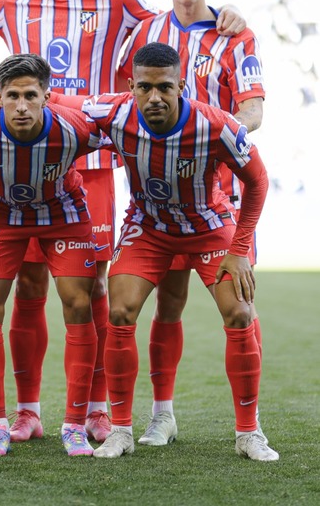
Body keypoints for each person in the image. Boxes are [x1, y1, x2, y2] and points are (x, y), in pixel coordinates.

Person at [0, 0, 245, 443]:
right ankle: (27, 411)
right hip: (28, 158)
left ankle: (96, 408)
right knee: (28, 284)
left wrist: (223, 13)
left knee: (93, 285)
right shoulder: (10, 0)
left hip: (92, 161)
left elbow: (174, 19)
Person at [53, 42, 276, 462]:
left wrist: (240, 249)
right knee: (120, 311)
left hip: (208, 228)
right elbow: (58, 99)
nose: (154, 97)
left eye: (164, 88)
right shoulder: (116, 112)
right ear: (131, 86)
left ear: (181, 86)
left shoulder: (215, 125)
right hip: (150, 228)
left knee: (240, 312)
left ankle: (249, 432)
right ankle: (121, 431)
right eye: (145, 88)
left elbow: (258, 181)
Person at [115, 0, 266, 447]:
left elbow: (253, 110)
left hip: (219, 196)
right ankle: (162, 415)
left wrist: (211, 136)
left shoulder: (235, 35)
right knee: (169, 303)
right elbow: (124, 97)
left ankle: (250, 425)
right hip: (160, 197)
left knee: (241, 307)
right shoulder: (145, 31)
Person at [0, 54, 105, 457]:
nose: (21, 106)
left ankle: (74, 426)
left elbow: (127, 121)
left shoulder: (75, 129)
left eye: (30, 96)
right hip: (3, 214)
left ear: (46, 97)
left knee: (79, 303)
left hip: (63, 214)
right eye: (12, 96)